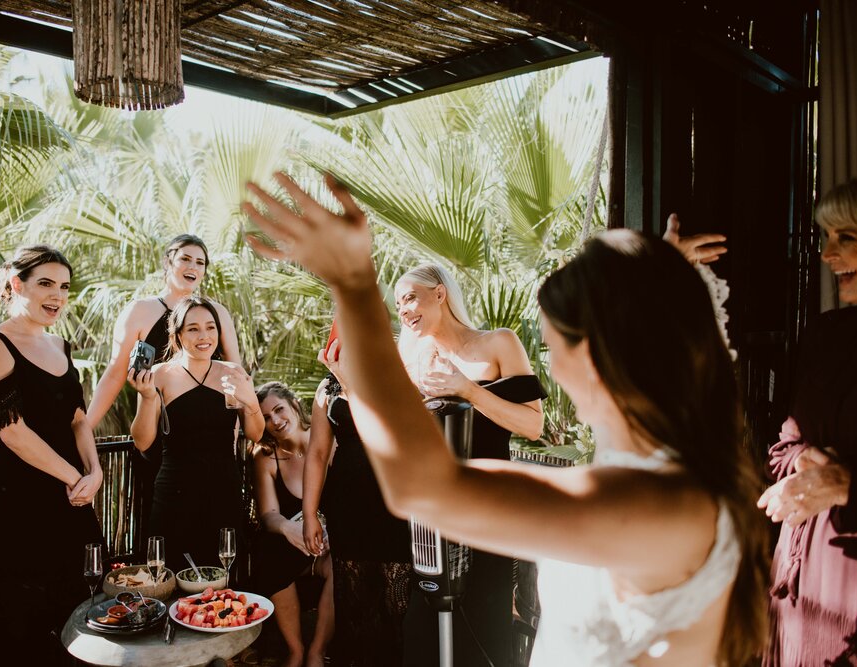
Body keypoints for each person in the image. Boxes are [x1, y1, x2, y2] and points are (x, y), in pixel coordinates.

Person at [243, 172, 770, 667]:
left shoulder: (657, 504)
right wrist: (657, 289)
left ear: (603, 354)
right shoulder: (675, 470)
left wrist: (354, 285)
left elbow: (424, 488)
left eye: (555, 344)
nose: (554, 369)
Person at [394, 262, 545, 667]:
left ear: (439, 294)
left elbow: (533, 424)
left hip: (492, 507)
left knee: (485, 624)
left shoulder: (499, 343)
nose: (404, 311)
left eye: (410, 297)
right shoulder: (415, 364)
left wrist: (468, 391)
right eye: (398, 305)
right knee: (423, 633)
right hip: (434, 520)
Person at [0, 245, 103, 665]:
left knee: (84, 613)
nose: (58, 296)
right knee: (28, 623)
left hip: (76, 499)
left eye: (64, 287)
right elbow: (11, 431)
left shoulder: (61, 346)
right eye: (46, 283)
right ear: (17, 284)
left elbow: (78, 420)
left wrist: (96, 472)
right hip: (24, 504)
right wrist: (74, 477)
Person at [757, 178, 857, 666]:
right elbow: (781, 450)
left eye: (846, 238)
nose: (826, 254)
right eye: (825, 237)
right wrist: (805, 460)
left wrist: (846, 484)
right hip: (800, 577)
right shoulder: (822, 333)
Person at [86, 234, 242, 551]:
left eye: (200, 262)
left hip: (210, 439)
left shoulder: (217, 313)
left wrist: (237, 429)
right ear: (167, 262)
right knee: (163, 535)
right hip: (156, 435)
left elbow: (236, 372)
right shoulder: (141, 311)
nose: (193, 267)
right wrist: (84, 429)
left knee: (217, 536)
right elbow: (115, 373)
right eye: (185, 258)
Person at [129, 296, 264, 574]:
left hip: (223, 492)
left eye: (210, 327)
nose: (204, 336)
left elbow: (256, 433)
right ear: (177, 335)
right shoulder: (161, 374)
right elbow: (142, 441)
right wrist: (147, 396)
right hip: (174, 493)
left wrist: (251, 402)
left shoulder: (233, 373)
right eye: (193, 329)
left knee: (222, 582)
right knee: (169, 577)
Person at [301, 341, 414, 667]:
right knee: (352, 604)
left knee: (394, 606)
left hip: (395, 502)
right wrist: (310, 513)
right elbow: (318, 452)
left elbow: (395, 431)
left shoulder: (402, 371)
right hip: (348, 504)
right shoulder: (329, 385)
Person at [249, 381, 335, 667]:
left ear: (295, 405)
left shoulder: (329, 441)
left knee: (343, 564)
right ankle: (296, 651)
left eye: (279, 410)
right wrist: (289, 529)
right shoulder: (265, 457)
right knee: (267, 553)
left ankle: (316, 652)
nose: (275, 421)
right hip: (292, 547)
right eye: (266, 418)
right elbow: (269, 514)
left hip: (329, 549)